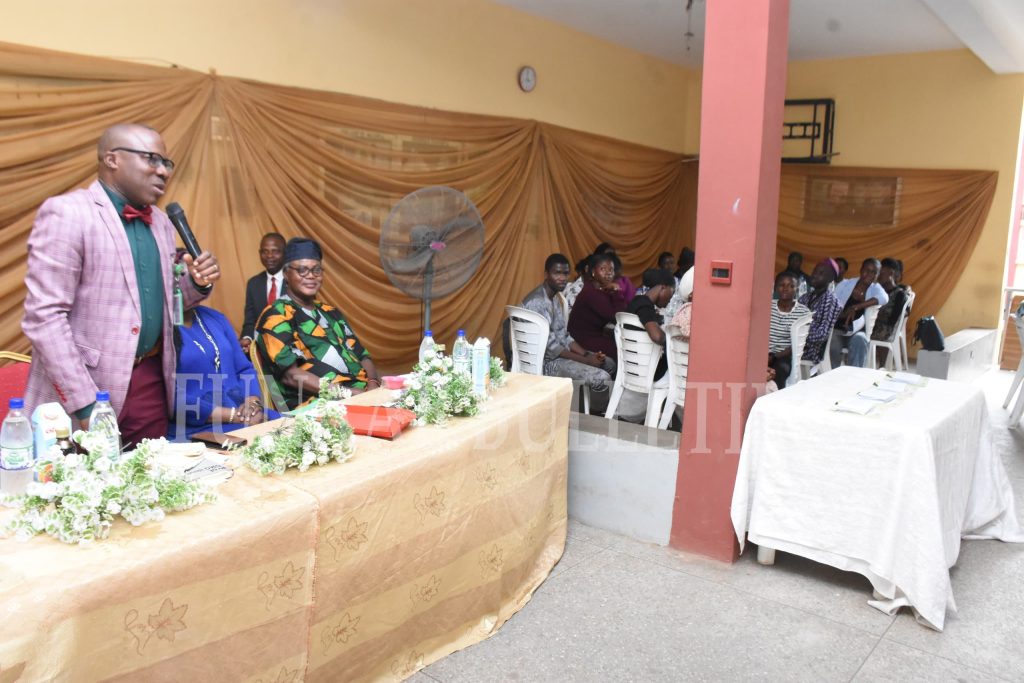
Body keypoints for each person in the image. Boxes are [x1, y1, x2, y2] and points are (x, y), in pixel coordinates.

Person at [22, 123, 219, 447]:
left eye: (167, 164)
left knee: (150, 486)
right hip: (86, 387)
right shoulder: (68, 213)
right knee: (83, 494)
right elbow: (44, 318)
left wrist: (195, 283)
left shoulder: (161, 223)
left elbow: (165, 300)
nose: (163, 171)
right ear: (112, 159)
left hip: (150, 382)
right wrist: (86, 405)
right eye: (152, 160)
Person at [255, 237, 380, 409]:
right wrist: (350, 394)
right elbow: (290, 376)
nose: (311, 276)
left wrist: (373, 385)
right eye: (302, 270)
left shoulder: (330, 312)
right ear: (286, 274)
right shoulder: (276, 315)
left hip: (360, 395)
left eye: (316, 270)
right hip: (317, 405)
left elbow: (362, 355)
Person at [169, 304, 279, 441]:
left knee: (289, 430)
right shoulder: (159, 328)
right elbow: (168, 395)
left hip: (244, 416)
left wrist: (253, 403)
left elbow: (244, 369)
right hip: (198, 428)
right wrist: (235, 416)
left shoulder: (214, 317)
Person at [521, 254, 614, 395]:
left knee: (609, 363)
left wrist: (587, 354)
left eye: (565, 273)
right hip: (545, 363)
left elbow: (564, 336)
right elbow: (552, 350)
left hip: (558, 356)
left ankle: (586, 407)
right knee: (602, 378)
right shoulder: (538, 302)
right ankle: (597, 413)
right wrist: (587, 361)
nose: (562, 278)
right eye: (557, 273)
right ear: (546, 274)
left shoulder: (555, 298)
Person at [829, 258, 889, 368]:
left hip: (858, 331)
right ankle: (832, 376)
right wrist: (844, 314)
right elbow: (832, 308)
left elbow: (884, 298)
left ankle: (853, 378)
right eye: (867, 270)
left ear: (877, 275)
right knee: (832, 341)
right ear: (861, 270)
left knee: (860, 340)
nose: (869, 274)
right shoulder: (845, 285)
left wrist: (856, 306)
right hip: (839, 329)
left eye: (873, 272)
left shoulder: (875, 288)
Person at [567, 253, 628, 358]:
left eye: (611, 270)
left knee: (622, 343)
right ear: (593, 272)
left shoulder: (600, 289)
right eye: (603, 269)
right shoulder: (591, 292)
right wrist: (617, 291)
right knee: (623, 348)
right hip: (581, 341)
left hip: (592, 336)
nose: (608, 273)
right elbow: (618, 316)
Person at [625, 269, 676, 382]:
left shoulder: (637, 302)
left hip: (631, 363)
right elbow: (657, 336)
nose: (670, 299)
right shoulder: (644, 306)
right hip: (646, 369)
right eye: (671, 292)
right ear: (663, 287)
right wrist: (672, 339)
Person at [240, 232, 287, 353]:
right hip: (262, 351)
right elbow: (250, 322)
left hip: (291, 350)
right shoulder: (253, 284)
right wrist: (247, 338)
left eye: (275, 251)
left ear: (285, 253)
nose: (269, 256)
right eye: (265, 251)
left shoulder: (295, 281)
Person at [768, 272, 811, 389]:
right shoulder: (767, 306)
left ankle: (776, 400)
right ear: (776, 287)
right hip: (763, 355)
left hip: (783, 358)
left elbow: (798, 344)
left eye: (791, 286)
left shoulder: (803, 313)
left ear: (797, 289)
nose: (786, 288)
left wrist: (774, 356)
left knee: (779, 371)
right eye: (782, 285)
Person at [798, 259, 843, 368]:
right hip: (795, 344)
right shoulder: (806, 297)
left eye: (821, 273)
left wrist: (798, 336)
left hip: (810, 351)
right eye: (814, 271)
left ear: (830, 278)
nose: (814, 275)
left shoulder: (831, 301)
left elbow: (821, 334)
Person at [870, 257, 913, 344]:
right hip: (873, 326)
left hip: (884, 331)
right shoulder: (878, 291)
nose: (879, 277)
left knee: (857, 334)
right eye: (877, 274)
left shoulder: (899, 295)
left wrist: (874, 314)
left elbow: (892, 321)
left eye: (882, 273)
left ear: (891, 273)